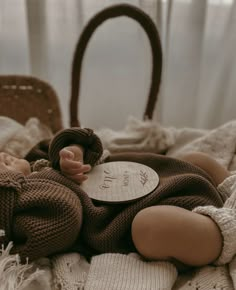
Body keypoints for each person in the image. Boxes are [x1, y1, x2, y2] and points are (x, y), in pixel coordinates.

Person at [0, 127, 234, 272]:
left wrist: (73, 152)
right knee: (150, 227)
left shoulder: (34, 161)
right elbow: (65, 219)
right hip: (154, 212)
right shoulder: (19, 215)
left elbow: (84, 140)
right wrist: (14, 186)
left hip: (163, 179)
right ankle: (224, 231)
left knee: (194, 160)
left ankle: (230, 189)